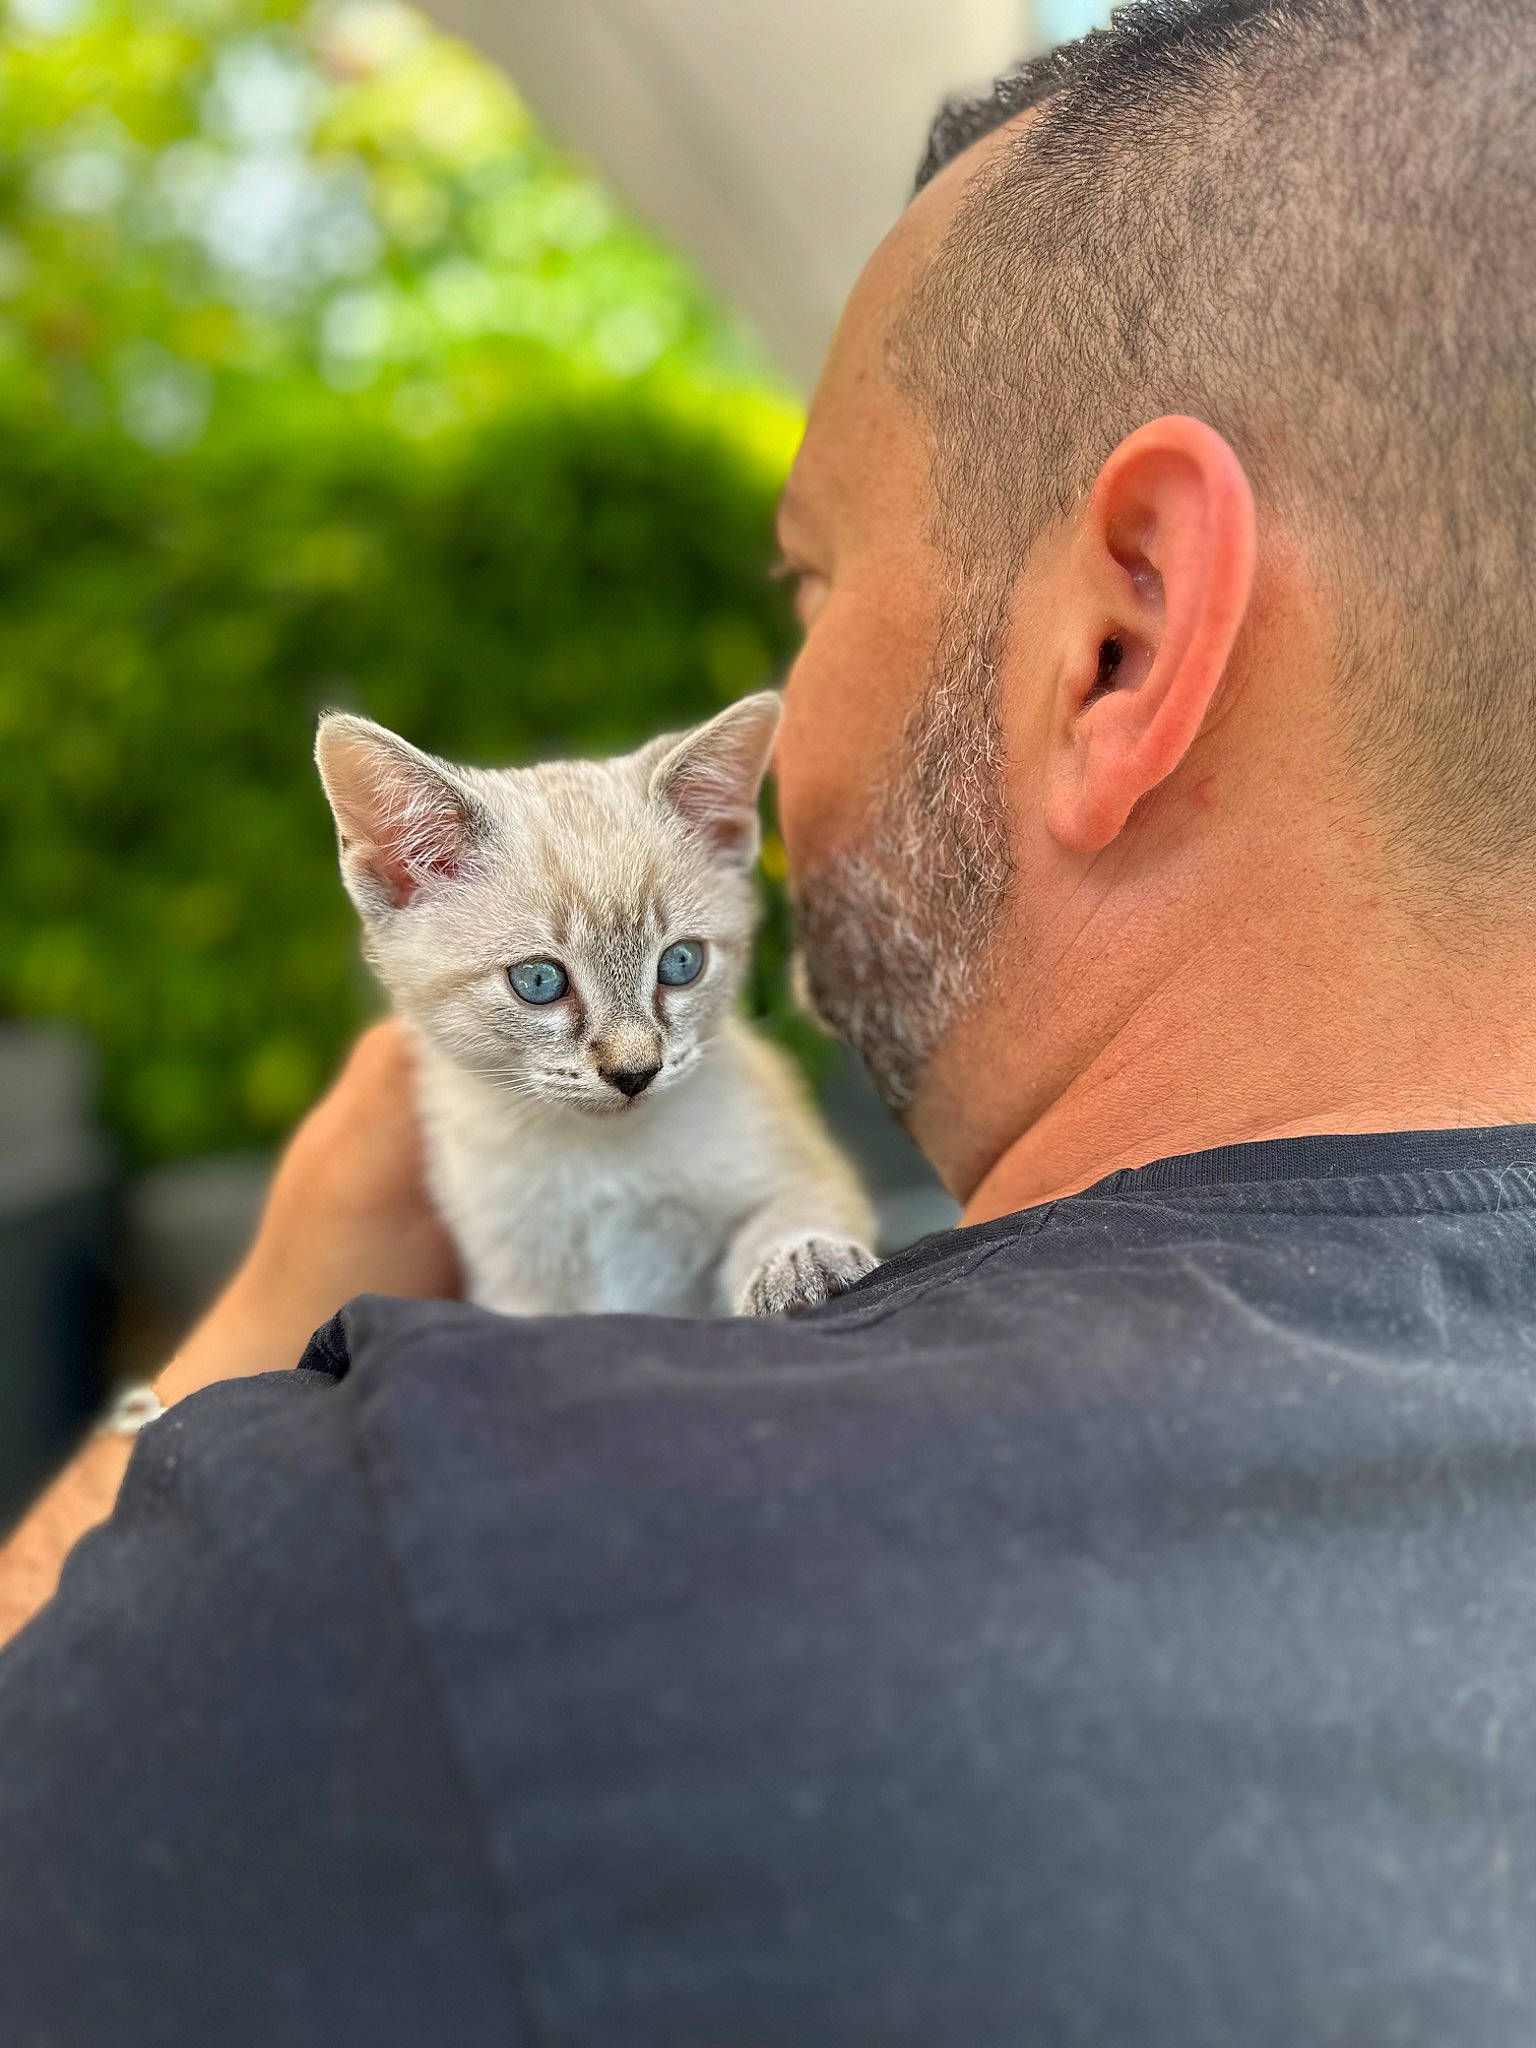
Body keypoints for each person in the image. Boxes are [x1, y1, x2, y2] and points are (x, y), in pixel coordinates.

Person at [6, 0, 1536, 2038]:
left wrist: (222, 1361)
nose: (775, 749)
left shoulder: (421, 1556)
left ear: (1121, 638)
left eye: (811, 590)